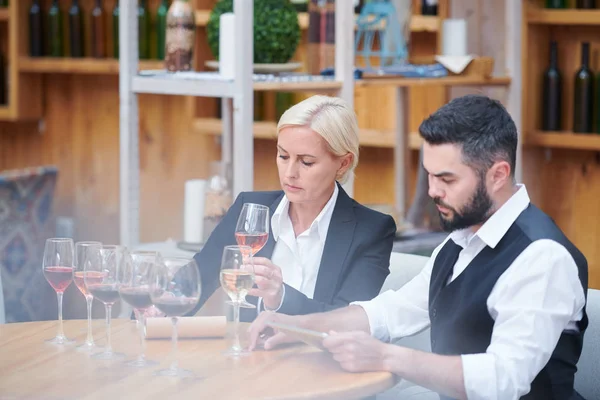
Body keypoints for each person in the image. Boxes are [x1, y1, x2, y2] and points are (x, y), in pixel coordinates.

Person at [247, 94, 589, 400]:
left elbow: (503, 381)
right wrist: (302, 326)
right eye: (429, 176)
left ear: (498, 175)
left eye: (447, 179)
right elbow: (389, 312)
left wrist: (385, 357)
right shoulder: (460, 242)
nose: (432, 191)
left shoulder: (543, 258)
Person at [190, 95, 397, 320]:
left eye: (306, 161)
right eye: (283, 156)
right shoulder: (249, 209)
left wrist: (281, 298)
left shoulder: (372, 230)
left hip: (318, 355)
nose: (289, 173)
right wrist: (156, 301)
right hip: (247, 351)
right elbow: (195, 281)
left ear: (343, 162)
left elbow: (349, 322)